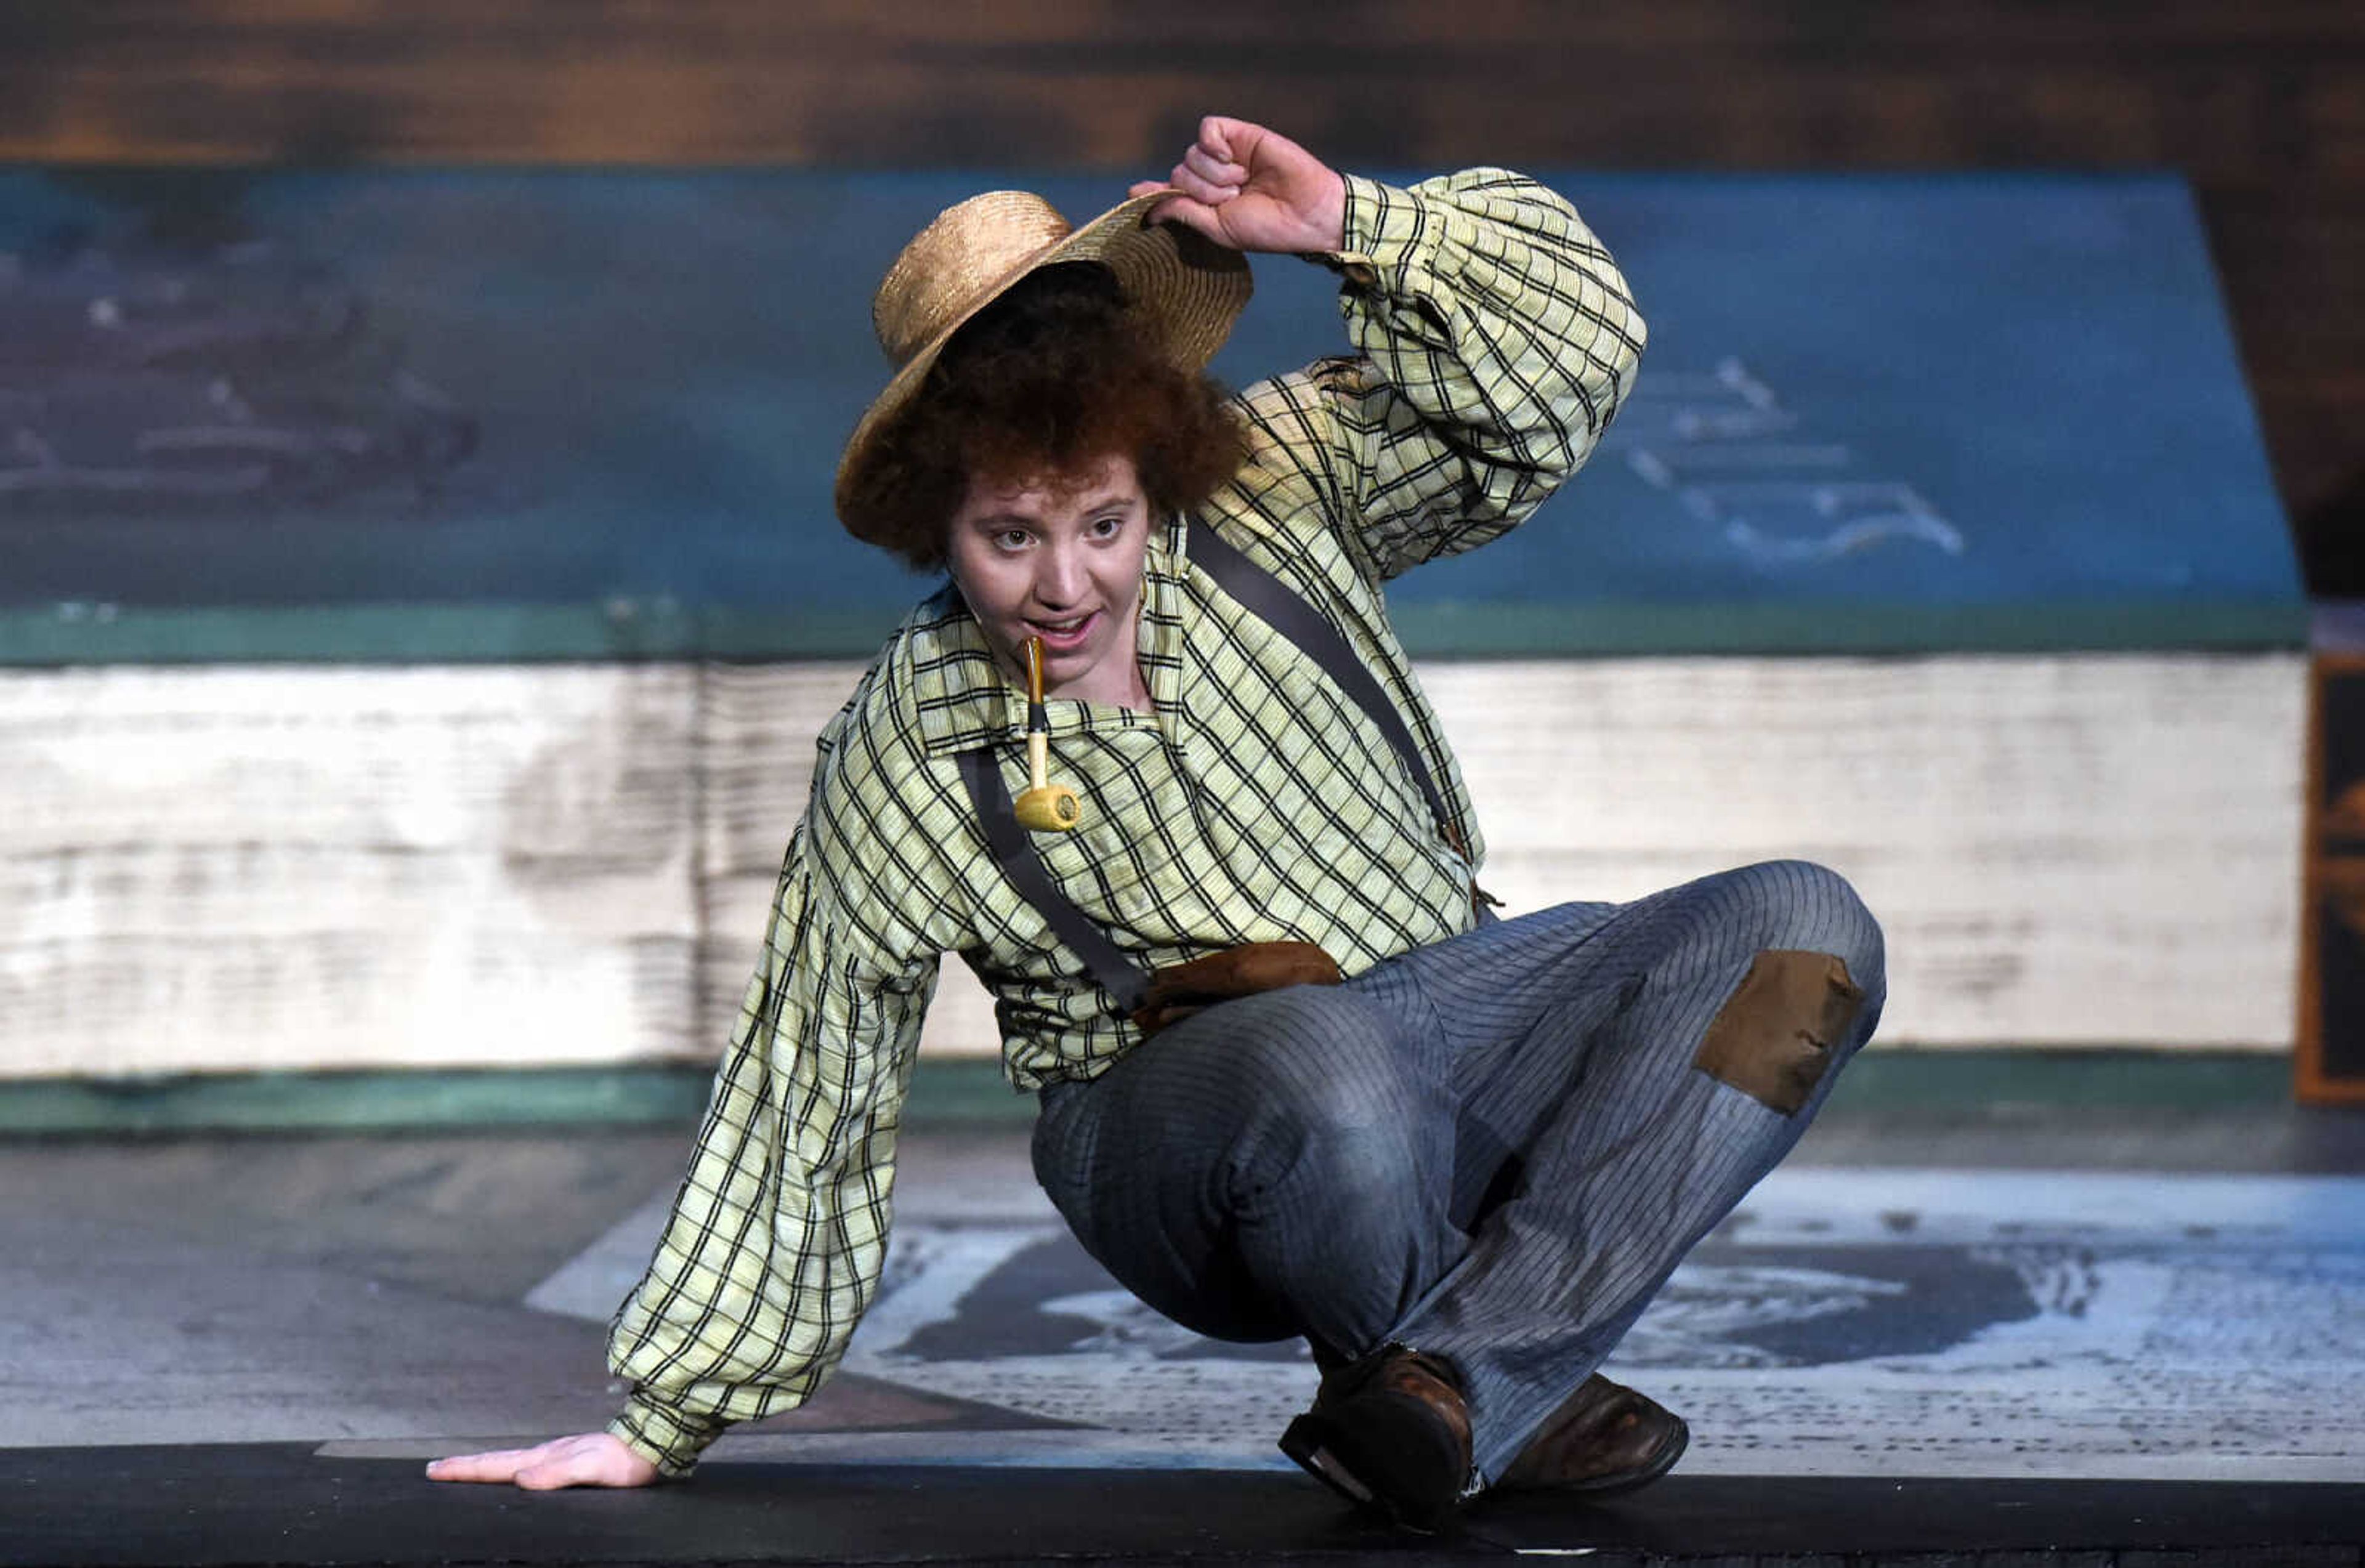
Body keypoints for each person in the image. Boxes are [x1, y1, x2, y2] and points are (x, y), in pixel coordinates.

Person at [427, 115, 1885, 1530]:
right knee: (1328, 1049)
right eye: (1012, 537)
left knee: (1803, 934)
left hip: (1462, 1012)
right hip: (1187, 1129)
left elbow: (1568, 369)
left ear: (1158, 471)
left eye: (1104, 524)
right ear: (941, 521)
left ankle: (1466, 1382)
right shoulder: (916, 739)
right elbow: (811, 1074)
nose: (1066, 584)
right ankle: (1495, 1382)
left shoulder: (1281, 495)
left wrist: (1352, 228)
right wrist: (658, 1417)